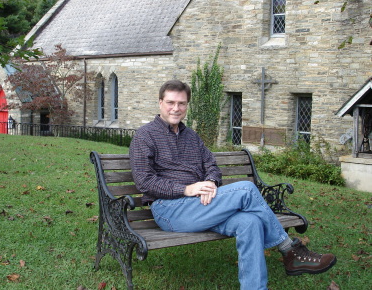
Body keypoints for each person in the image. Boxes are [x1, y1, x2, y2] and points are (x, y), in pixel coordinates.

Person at [129, 80, 336, 290]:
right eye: (170, 102)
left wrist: (210, 182)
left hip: (203, 205)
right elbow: (144, 180)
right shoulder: (145, 136)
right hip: (169, 210)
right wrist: (187, 189)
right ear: (160, 103)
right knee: (246, 189)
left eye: (181, 103)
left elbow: (211, 166)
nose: (176, 108)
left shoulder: (191, 136)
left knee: (250, 223)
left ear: (187, 105)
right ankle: (289, 250)